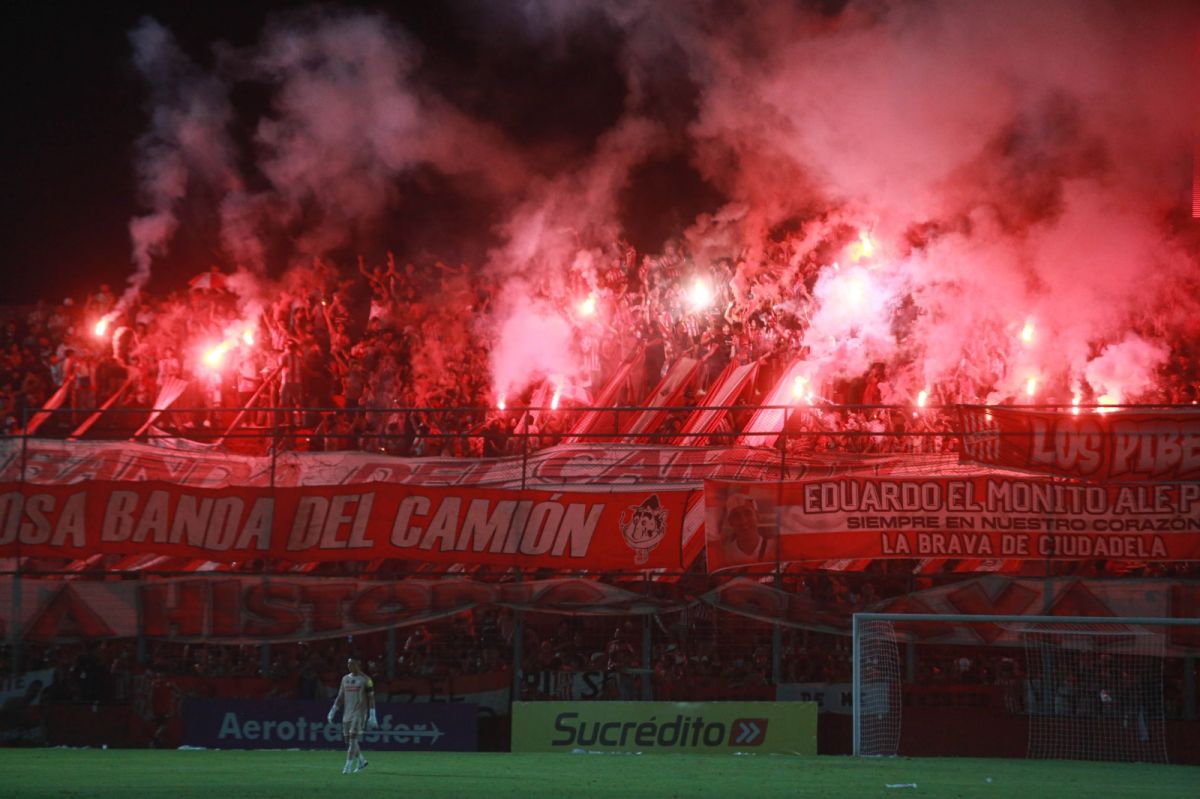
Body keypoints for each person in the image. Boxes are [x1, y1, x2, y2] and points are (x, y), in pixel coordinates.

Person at [327, 657, 378, 774]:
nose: (349, 665)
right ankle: (361, 760)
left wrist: (373, 716)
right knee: (348, 741)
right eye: (348, 663)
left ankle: (347, 767)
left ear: (358, 664)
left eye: (352, 663)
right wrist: (332, 711)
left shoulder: (366, 680)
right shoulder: (345, 679)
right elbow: (340, 697)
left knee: (352, 739)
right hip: (347, 714)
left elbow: (371, 698)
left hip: (359, 713)